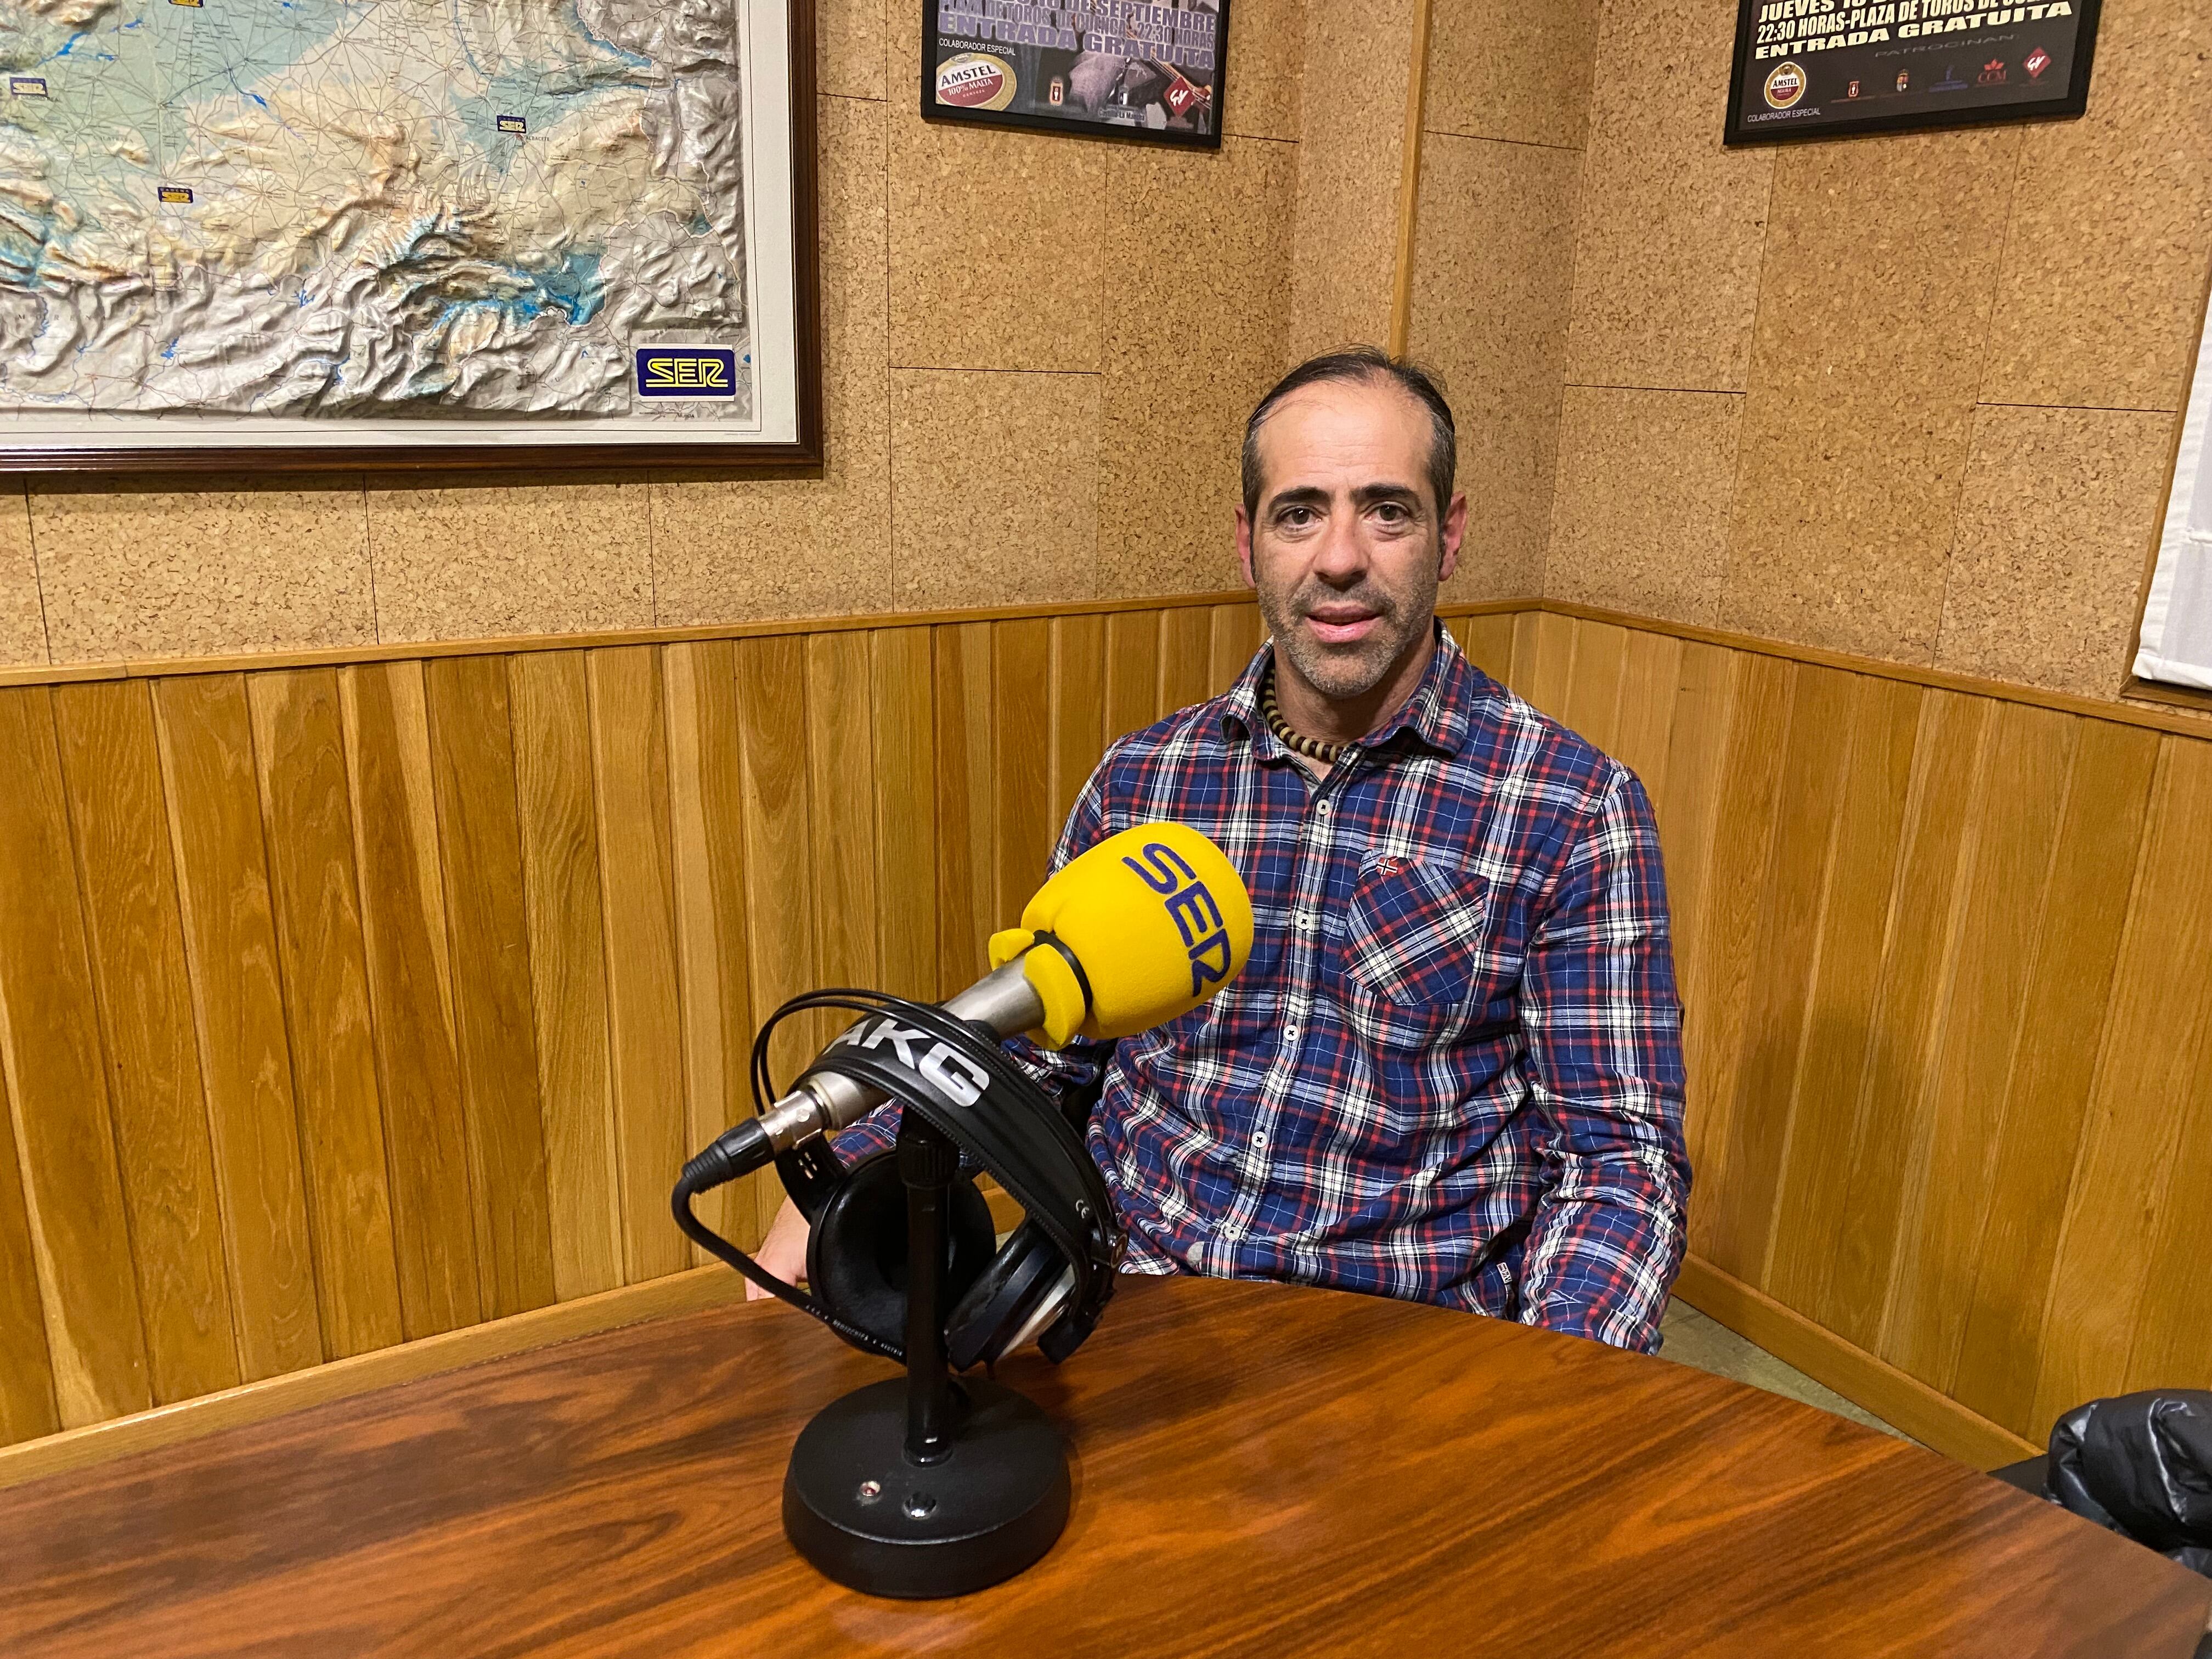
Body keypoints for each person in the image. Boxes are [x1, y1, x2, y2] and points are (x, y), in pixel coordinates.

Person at [753, 347, 1691, 1352]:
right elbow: (1036, 1056)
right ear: (1249, 544)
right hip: (1129, 1303)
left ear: (1448, 535)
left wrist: (1557, 1380)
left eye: (1387, 510)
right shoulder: (1145, 782)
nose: (1339, 556)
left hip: (1403, 1341)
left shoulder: (1575, 806)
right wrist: (839, 1182)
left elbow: (1619, 1162)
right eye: (1299, 513)